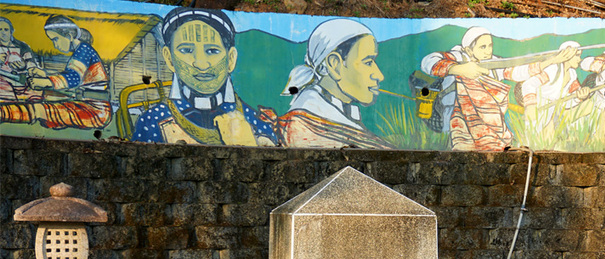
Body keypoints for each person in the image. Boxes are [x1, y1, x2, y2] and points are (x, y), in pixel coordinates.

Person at [132, 7, 274, 146]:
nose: (201, 64)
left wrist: (248, 143)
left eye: (212, 50)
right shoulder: (153, 122)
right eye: (186, 50)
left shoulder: (256, 122)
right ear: (169, 58)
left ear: (231, 59)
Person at [421, 26, 571, 151]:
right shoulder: (456, 57)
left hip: (490, 125)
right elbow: (428, 62)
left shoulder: (494, 63)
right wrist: (458, 69)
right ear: (469, 49)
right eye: (483, 46)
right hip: (460, 122)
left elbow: (518, 72)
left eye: (490, 46)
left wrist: (552, 61)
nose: (488, 51)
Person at [275, 19, 392, 149]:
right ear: (334, 64)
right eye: (368, 62)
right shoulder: (304, 126)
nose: (379, 76)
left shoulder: (341, 120)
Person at [0, 15, 111, 129]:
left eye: (55, 39)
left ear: (68, 36)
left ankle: (3, 113)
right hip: (85, 104)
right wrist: (44, 75)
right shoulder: (82, 50)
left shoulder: (84, 51)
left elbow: (73, 78)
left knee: (39, 109)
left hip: (95, 111)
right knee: (41, 95)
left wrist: (45, 82)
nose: (54, 45)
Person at [514, 41, 592, 133]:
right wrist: (531, 106)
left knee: (588, 105)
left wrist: (578, 98)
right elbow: (529, 84)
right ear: (567, 55)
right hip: (538, 108)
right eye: (577, 55)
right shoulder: (552, 70)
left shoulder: (572, 75)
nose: (579, 59)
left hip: (553, 111)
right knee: (534, 139)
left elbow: (567, 101)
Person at [0, 16, 40, 102]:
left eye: (6, 29)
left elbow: (32, 64)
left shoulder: (22, 46)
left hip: (22, 80)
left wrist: (24, 65)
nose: (3, 32)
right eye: (0, 30)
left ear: (11, 31)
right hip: (3, 82)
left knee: (35, 95)